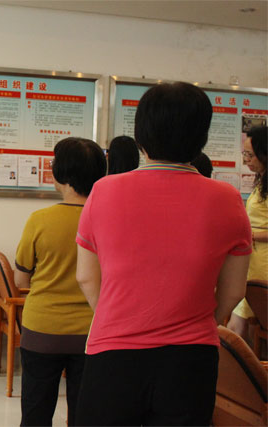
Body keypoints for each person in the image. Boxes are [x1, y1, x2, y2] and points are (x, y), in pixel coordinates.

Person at [75, 82, 251, 425]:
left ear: (141, 135)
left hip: (114, 354)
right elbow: (234, 291)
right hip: (191, 359)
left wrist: (116, 317)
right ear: (202, 137)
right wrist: (201, 323)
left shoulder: (104, 191)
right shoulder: (227, 199)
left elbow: (85, 276)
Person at [15, 137, 106, 426]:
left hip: (42, 329)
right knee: (85, 414)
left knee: (36, 412)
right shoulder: (108, 219)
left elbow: (21, 279)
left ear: (60, 173)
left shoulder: (39, 219)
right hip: (92, 332)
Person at [227, 125, 268, 341]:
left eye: (250, 155)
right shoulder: (261, 181)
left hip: (263, 264)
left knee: (240, 324)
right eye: (245, 154)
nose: (246, 160)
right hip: (254, 261)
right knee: (240, 324)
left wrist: (252, 236)